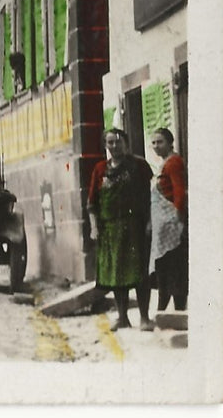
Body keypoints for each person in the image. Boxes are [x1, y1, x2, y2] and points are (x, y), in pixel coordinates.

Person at [87, 128, 153, 330]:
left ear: (126, 143)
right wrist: (94, 228)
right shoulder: (100, 169)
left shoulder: (139, 165)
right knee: (115, 274)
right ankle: (122, 317)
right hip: (109, 229)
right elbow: (92, 202)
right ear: (105, 146)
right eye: (110, 143)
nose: (114, 146)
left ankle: (144, 318)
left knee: (139, 273)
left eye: (118, 142)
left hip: (135, 227)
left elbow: (151, 197)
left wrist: (150, 222)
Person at [149, 127, 188, 311]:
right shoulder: (164, 163)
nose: (156, 146)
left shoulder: (174, 162)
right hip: (162, 227)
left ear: (170, 143)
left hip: (173, 225)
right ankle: (162, 310)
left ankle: (178, 310)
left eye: (160, 142)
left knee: (175, 269)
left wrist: (179, 222)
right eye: (154, 142)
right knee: (163, 269)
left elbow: (179, 193)